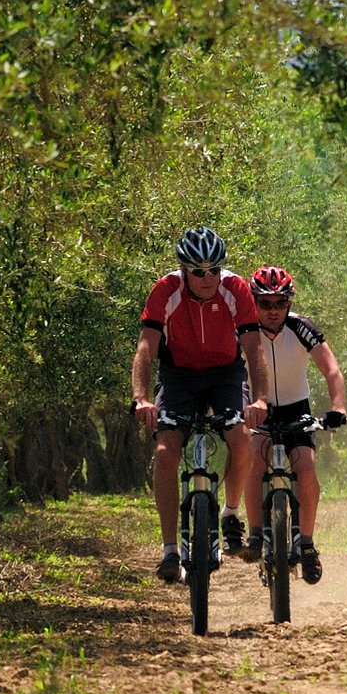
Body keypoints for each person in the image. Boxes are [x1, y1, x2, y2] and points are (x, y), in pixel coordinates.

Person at [131, 227, 269, 583]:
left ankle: (229, 512)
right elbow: (146, 346)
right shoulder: (166, 290)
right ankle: (169, 550)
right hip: (179, 376)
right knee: (165, 452)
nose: (208, 278)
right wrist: (141, 398)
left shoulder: (235, 288)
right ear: (183, 269)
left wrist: (260, 398)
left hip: (226, 374)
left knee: (241, 439)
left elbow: (254, 348)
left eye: (215, 270)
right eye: (199, 271)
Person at [239, 265, 347, 585]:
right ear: (253, 302)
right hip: (258, 410)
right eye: (265, 304)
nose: (273, 311)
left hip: (295, 408)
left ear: (289, 302)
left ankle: (308, 544)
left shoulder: (301, 328)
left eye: (280, 303)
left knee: (306, 469)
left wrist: (338, 407)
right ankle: (257, 534)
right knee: (254, 462)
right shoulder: (243, 331)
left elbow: (332, 370)